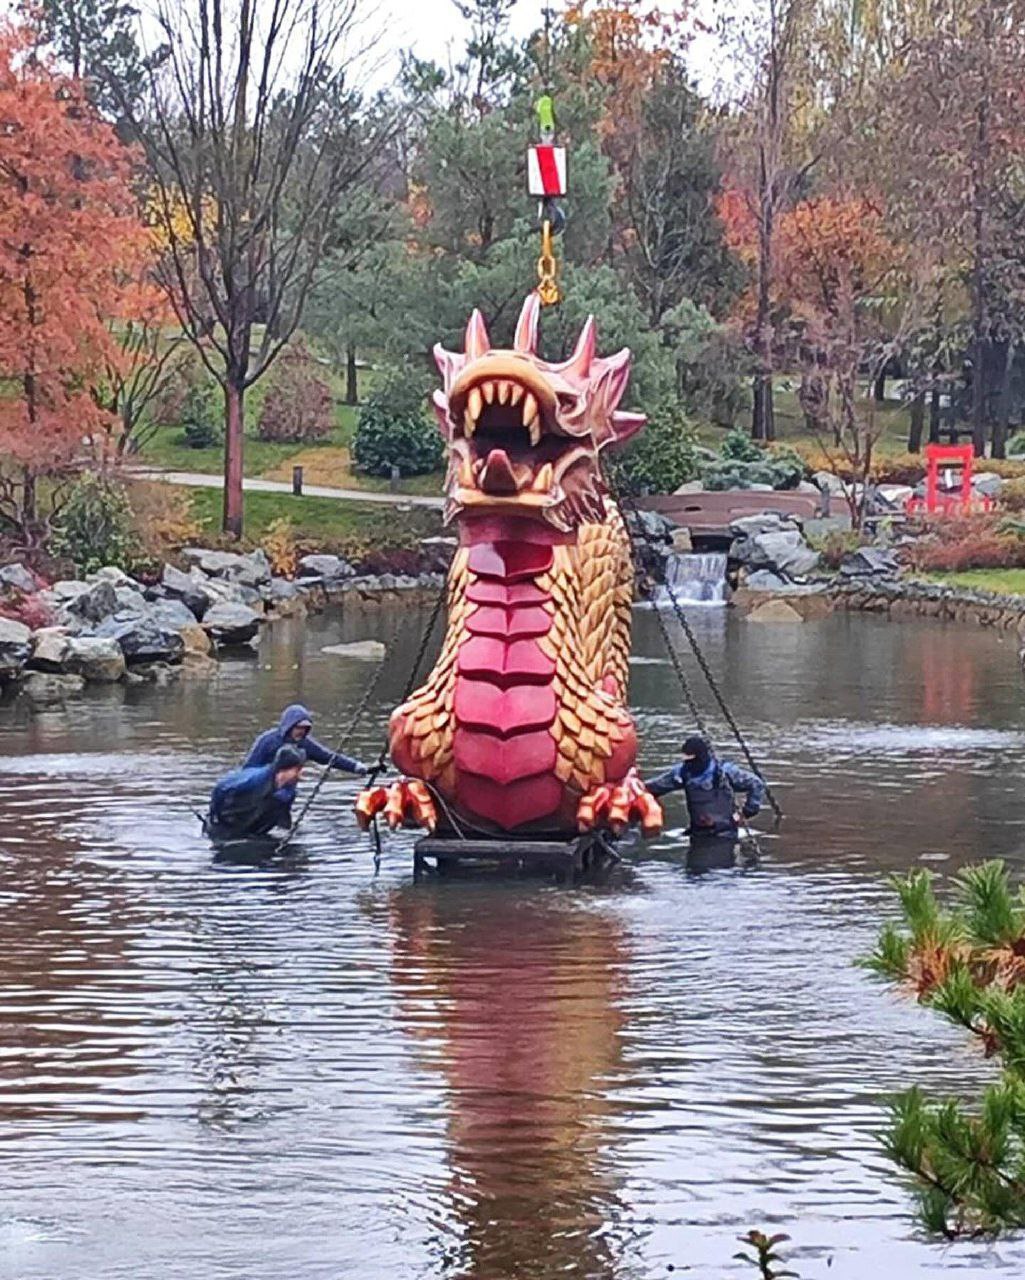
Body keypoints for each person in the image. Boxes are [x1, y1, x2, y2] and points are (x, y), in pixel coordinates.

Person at [645, 734, 765, 839]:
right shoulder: (683, 772)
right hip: (698, 833)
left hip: (725, 835)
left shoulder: (723, 772)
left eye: (692, 760)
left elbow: (755, 783)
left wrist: (747, 811)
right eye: (686, 760)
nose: (689, 764)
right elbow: (654, 787)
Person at [206, 744, 305, 841]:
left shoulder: (289, 790)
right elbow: (221, 788)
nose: (300, 775)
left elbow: (284, 816)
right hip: (226, 825)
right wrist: (214, 816)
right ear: (282, 769)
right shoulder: (254, 781)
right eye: (297, 770)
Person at [244, 703, 370, 778]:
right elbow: (249, 768)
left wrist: (359, 767)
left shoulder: (305, 744)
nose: (301, 731)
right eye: (298, 727)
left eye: (305, 728)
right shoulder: (268, 741)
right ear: (289, 726)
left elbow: (329, 758)